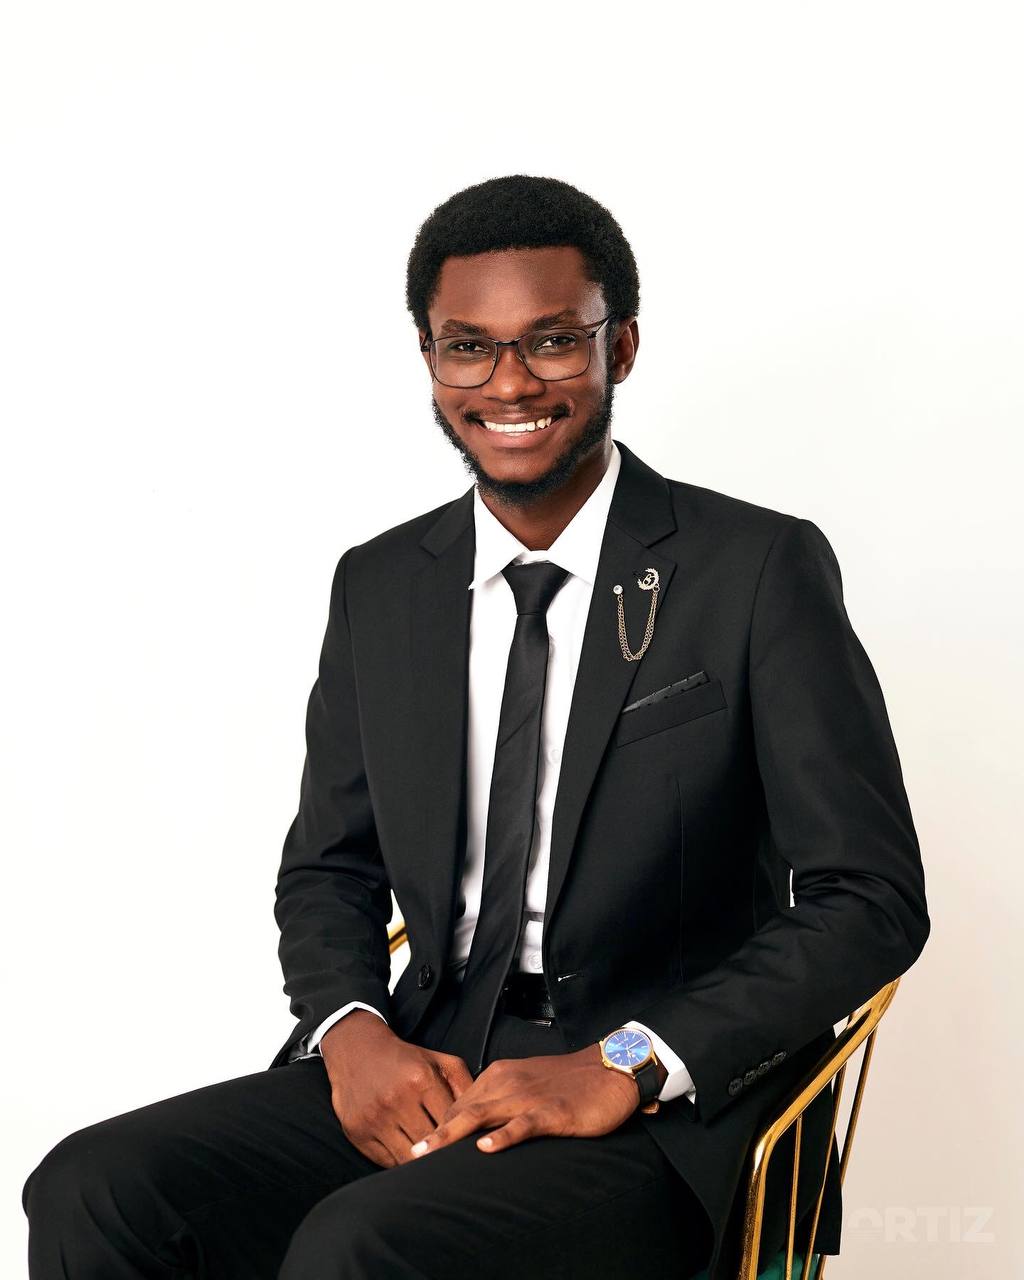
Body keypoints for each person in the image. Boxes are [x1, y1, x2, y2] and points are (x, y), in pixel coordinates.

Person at [22, 174, 930, 1280]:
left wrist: (627, 1061)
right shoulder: (380, 584)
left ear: (621, 347)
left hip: (654, 1110)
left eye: (551, 341)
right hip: (429, 1056)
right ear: (428, 357)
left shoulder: (752, 569)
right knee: (94, 1184)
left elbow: (867, 898)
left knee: (358, 1245)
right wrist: (351, 1031)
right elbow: (328, 866)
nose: (508, 382)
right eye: (468, 346)